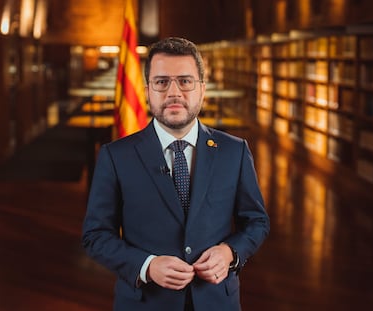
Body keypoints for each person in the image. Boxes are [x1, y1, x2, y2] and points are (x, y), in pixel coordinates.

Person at [82, 37, 270, 311]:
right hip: (145, 302)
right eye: (161, 82)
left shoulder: (234, 151)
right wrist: (147, 266)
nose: (174, 92)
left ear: (202, 90)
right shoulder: (115, 156)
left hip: (218, 302)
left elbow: (256, 222)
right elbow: (95, 235)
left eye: (185, 81)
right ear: (147, 90)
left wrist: (230, 252)